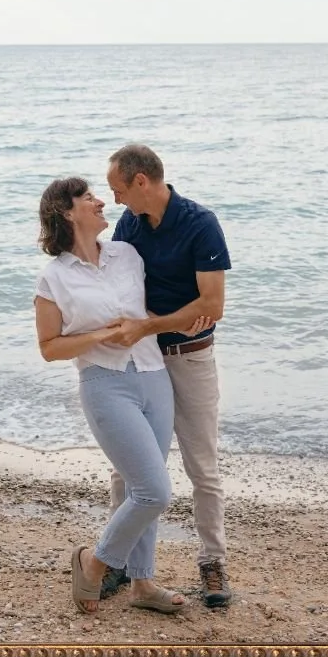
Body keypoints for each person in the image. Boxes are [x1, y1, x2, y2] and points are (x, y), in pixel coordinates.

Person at [33, 176, 196, 615]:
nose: (101, 201)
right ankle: (95, 561)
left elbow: (160, 296)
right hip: (105, 384)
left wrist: (192, 318)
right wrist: (104, 334)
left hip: (153, 376)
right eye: (89, 198)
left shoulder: (128, 254)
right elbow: (49, 348)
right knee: (154, 491)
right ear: (67, 212)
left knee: (139, 488)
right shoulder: (54, 277)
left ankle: (143, 585)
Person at [100, 144, 233, 608]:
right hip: (144, 361)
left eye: (119, 189)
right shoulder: (129, 225)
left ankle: (212, 561)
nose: (116, 200)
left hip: (192, 358)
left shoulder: (201, 223)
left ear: (142, 181)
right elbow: (115, 285)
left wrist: (151, 322)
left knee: (203, 468)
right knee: (129, 467)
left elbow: (211, 306)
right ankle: (116, 562)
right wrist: (163, 319)